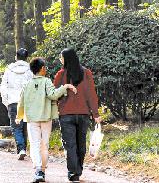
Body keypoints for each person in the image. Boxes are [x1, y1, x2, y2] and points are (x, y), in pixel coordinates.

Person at [17, 58, 77, 183]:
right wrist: (65, 87)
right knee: (44, 145)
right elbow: (53, 95)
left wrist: (19, 116)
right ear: (42, 69)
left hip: (32, 119)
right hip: (46, 118)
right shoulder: (46, 81)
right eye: (45, 67)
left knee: (34, 144)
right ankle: (43, 171)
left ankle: (38, 169)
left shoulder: (26, 84)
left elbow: (21, 102)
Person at [54, 48, 101, 183]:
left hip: (66, 115)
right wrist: (95, 113)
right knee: (81, 144)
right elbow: (91, 94)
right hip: (83, 114)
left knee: (70, 145)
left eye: (61, 58)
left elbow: (54, 94)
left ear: (67, 59)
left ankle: (73, 172)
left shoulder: (61, 74)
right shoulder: (86, 73)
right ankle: (77, 171)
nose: (60, 60)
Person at [0, 47, 33, 159]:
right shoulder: (30, 69)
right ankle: (24, 148)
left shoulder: (9, 69)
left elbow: (3, 87)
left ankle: (21, 148)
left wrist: (6, 101)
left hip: (13, 102)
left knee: (16, 127)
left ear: (16, 57)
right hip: (27, 101)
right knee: (26, 126)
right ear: (26, 57)